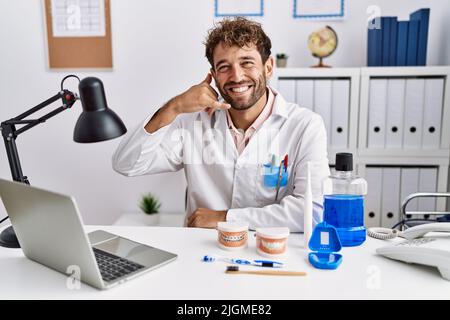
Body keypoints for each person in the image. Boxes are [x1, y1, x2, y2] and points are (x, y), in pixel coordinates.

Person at [112, 17, 330, 231]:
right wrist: (174, 107)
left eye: (247, 63)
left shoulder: (305, 126)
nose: (236, 76)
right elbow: (126, 164)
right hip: (201, 254)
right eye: (224, 67)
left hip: (269, 254)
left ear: (269, 67)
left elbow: (312, 211)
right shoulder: (193, 123)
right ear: (213, 75)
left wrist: (226, 219)